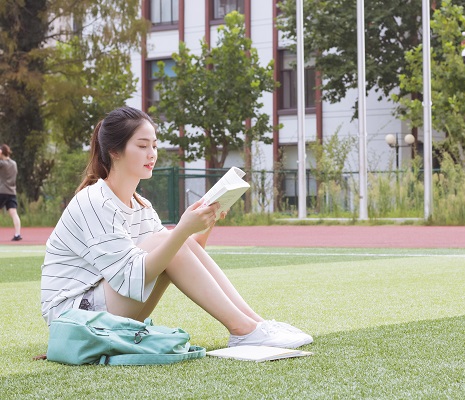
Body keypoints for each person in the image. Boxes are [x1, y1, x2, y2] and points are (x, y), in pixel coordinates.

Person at [41, 106, 312, 349]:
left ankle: (255, 324)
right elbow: (131, 276)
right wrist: (182, 230)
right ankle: (244, 329)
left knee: (169, 240)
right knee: (166, 238)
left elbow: (181, 256)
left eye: (155, 146)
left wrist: (206, 223)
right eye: (142, 146)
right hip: (72, 318)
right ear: (114, 151)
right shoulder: (95, 201)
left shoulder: (141, 205)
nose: (152, 154)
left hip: (104, 308)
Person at [0, 144, 22, 241]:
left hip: (2, 191)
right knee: (14, 213)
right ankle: (17, 234)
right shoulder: (14, 163)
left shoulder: (2, 163)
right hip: (12, 191)